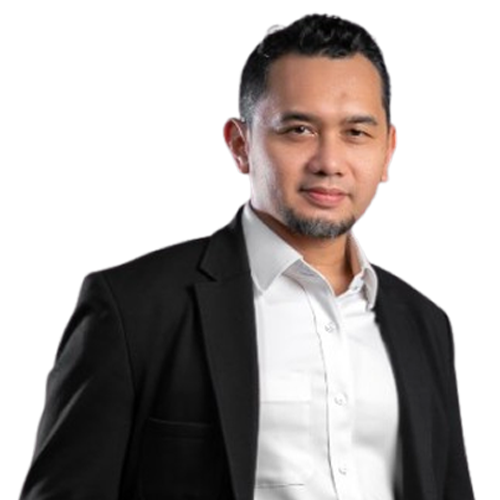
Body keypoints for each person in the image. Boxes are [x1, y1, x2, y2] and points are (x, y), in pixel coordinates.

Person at [20, 13, 475, 500]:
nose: (329, 162)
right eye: (299, 129)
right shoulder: (134, 309)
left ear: (388, 152)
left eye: (356, 133)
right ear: (240, 146)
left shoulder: (423, 322)